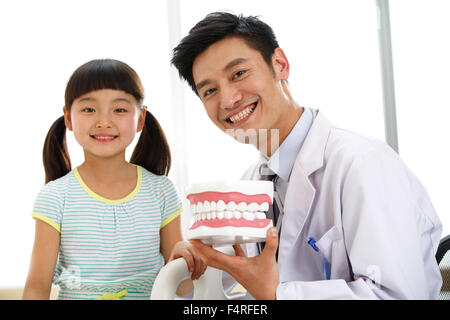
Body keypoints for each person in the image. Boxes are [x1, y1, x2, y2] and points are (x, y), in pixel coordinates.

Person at [171, 12, 443, 299]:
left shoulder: (362, 163)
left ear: (280, 64)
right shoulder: (253, 182)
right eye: (210, 90)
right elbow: (237, 277)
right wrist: (196, 264)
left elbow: (399, 295)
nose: (227, 100)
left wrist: (276, 294)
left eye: (238, 74)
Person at [23, 59, 206, 300]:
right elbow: (37, 287)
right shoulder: (55, 197)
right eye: (89, 109)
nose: (104, 121)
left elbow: (182, 289)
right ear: (68, 118)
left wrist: (184, 262)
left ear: (140, 118)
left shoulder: (161, 191)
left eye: (119, 109)